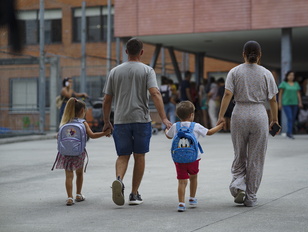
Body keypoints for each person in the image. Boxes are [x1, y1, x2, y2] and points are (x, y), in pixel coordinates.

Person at [102, 38, 172, 206]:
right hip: (141, 119)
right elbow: (155, 94)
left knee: (123, 155)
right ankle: (134, 194)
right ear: (141, 52)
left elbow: (106, 100)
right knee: (139, 156)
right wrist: (163, 118)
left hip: (120, 120)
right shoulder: (147, 71)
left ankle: (119, 179)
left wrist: (106, 122)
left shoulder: (115, 71)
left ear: (126, 52)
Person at [217, 40, 279, 207]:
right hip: (259, 114)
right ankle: (251, 197)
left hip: (240, 114)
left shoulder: (234, 72)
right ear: (260, 55)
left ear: (243, 54)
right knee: (256, 158)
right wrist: (274, 119)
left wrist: (221, 115)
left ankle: (238, 186)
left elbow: (228, 94)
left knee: (239, 154)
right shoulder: (266, 73)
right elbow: (273, 100)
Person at [165, 101, 224, 212]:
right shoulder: (196, 126)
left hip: (179, 159)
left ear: (178, 115)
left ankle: (181, 203)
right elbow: (209, 132)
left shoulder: (175, 126)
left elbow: (168, 136)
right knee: (194, 177)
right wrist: (220, 126)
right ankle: (192, 198)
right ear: (191, 114)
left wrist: (166, 130)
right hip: (194, 158)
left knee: (182, 181)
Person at [53, 98, 111, 206]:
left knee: (68, 176)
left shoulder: (65, 122)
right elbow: (92, 135)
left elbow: (58, 137)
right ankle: (78, 194)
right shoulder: (83, 123)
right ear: (82, 111)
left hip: (65, 153)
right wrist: (105, 133)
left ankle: (69, 198)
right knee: (79, 174)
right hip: (78, 153)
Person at [278, 71, 303, 139]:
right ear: (287, 76)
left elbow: (298, 93)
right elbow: (280, 94)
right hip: (286, 103)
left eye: (293, 75)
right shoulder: (283, 84)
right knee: (290, 118)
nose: (291, 77)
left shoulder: (296, 84)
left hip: (295, 103)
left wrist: (300, 102)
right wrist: (280, 103)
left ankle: (290, 131)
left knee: (293, 118)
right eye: (290, 75)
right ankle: (289, 133)